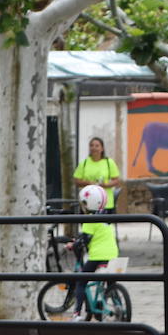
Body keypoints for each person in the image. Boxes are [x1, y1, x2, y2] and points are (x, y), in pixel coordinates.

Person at [71, 183, 118, 321]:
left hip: (98, 256)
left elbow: (84, 241)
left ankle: (77, 314)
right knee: (111, 283)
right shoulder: (106, 217)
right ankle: (117, 305)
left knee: (81, 281)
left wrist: (73, 244)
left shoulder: (88, 221)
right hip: (113, 254)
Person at [73, 136, 122, 215]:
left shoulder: (109, 162)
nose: (94, 148)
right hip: (87, 202)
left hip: (105, 202)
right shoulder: (84, 163)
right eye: (92, 145)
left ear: (102, 148)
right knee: (88, 226)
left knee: (104, 226)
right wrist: (89, 183)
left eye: (97, 146)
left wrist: (105, 184)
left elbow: (116, 180)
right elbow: (76, 180)